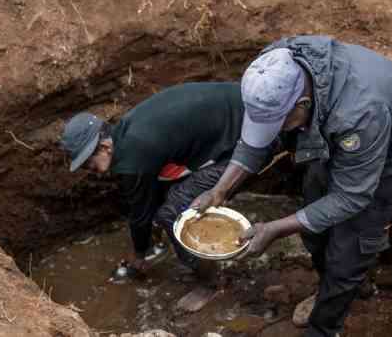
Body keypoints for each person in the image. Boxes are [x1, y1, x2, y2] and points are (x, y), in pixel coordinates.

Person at [191, 36, 392, 337]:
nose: (276, 131)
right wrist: (220, 190)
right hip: (326, 132)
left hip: (391, 156)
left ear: (303, 104)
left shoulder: (359, 114)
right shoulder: (274, 65)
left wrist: (276, 228)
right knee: (314, 229)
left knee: (349, 251)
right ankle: (328, 286)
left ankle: (326, 325)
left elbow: (351, 196)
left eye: (279, 122)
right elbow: (256, 141)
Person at [60, 82, 250, 312]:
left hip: (250, 138)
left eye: (88, 163)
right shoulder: (128, 132)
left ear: (104, 147)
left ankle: (211, 283)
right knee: (171, 193)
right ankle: (181, 251)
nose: (90, 170)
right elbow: (149, 192)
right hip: (241, 111)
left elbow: (139, 213)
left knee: (172, 213)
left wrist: (140, 254)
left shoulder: (133, 158)